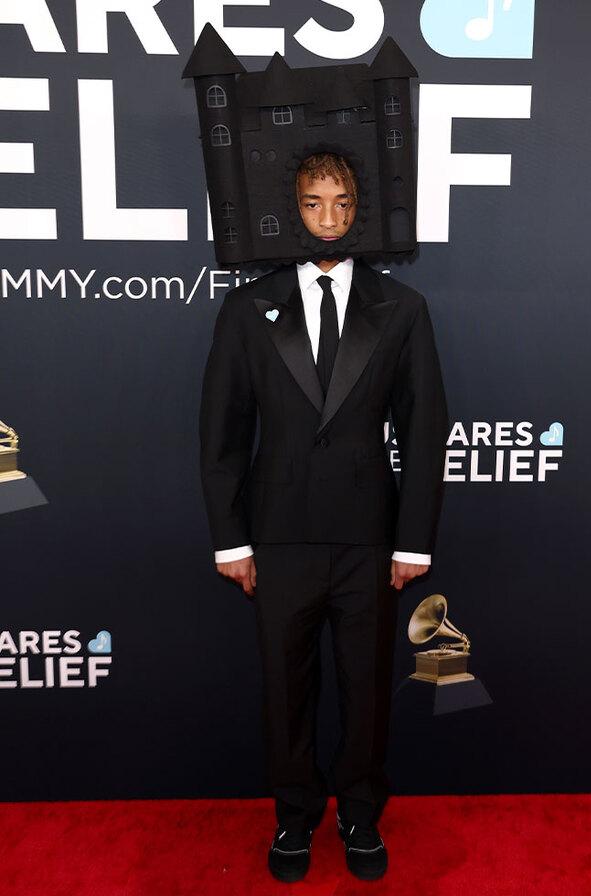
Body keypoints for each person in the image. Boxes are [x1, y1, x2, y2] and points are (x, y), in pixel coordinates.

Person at [199, 152, 449, 882]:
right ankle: (294, 814)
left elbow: (424, 430)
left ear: (360, 210)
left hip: (369, 537)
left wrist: (413, 543)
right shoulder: (248, 308)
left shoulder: (401, 307)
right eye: (314, 203)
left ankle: (360, 813)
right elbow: (222, 433)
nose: (329, 218)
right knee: (286, 688)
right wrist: (231, 542)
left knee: (367, 688)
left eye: (343, 202)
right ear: (294, 209)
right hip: (277, 537)